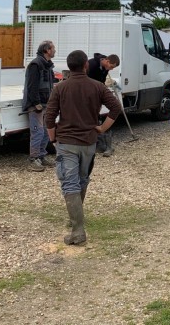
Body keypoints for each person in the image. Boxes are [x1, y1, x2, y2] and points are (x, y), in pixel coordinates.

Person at [45, 49, 123, 246]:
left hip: (67, 143)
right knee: (82, 180)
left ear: (69, 67)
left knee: (69, 184)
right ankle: (75, 220)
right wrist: (102, 128)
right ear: (86, 66)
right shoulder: (97, 86)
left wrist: (53, 138)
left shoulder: (60, 88)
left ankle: (78, 229)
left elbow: (49, 116)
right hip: (89, 142)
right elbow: (116, 108)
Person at [22, 40, 56, 172]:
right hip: (36, 105)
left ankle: (41, 156)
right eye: (53, 48)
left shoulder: (47, 65)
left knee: (46, 131)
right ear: (47, 50)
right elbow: (32, 86)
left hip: (45, 103)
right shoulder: (36, 65)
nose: (54, 51)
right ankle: (33, 159)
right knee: (38, 131)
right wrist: (36, 103)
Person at [87, 53, 121, 157]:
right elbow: (86, 80)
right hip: (89, 94)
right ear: (107, 61)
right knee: (92, 118)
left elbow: (101, 81)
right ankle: (98, 144)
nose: (110, 69)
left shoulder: (104, 68)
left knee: (102, 116)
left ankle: (106, 145)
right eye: (111, 66)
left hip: (97, 94)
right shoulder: (92, 64)